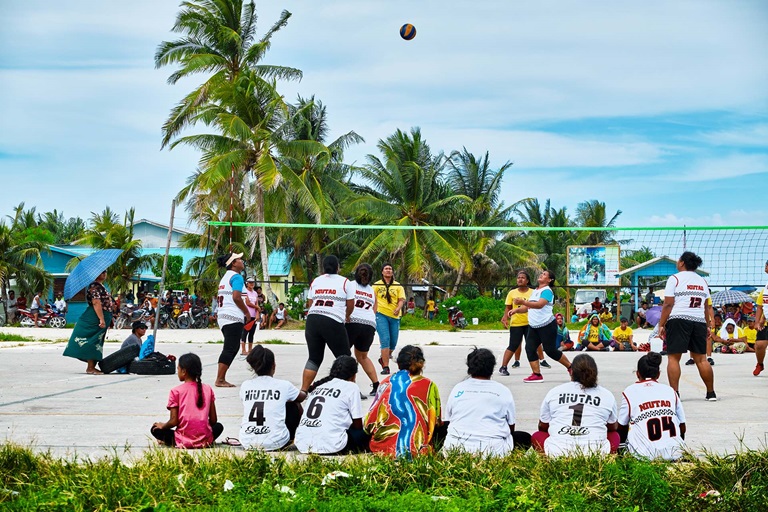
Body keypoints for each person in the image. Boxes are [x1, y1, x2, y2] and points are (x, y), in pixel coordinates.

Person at [442, 348, 531, 456]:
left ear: (469, 367)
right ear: (492, 368)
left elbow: (449, 420)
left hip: (455, 450)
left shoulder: (458, 388)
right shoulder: (503, 391)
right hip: (493, 451)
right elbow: (511, 426)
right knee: (524, 438)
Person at [532, 354, 619, 456]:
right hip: (595, 453)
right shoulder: (606, 395)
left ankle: (551, 458)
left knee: (537, 436)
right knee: (614, 436)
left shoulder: (555, 392)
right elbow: (613, 427)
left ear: (572, 372)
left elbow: (543, 426)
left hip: (558, 452)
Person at [657, 251, 717, 401]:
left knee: (673, 358)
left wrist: (661, 324)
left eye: (678, 260)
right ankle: (711, 393)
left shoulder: (675, 279)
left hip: (678, 319)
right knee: (702, 359)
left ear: (682, 263)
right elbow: (705, 306)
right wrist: (707, 326)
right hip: (698, 321)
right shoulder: (703, 281)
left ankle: (675, 394)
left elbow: (668, 304)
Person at [365, 345, 443, 458]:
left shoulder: (385, 383)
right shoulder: (429, 385)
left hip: (382, 450)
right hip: (417, 451)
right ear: (422, 364)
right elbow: (436, 422)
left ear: (398, 363)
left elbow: (368, 424)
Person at [301, 255, 355, 393]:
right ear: (338, 267)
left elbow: (310, 303)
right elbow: (350, 304)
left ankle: (303, 390)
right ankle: (351, 389)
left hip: (312, 319)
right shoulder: (345, 282)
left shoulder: (316, 281)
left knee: (314, 357)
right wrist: (346, 316)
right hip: (332, 319)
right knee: (345, 357)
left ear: (324, 268)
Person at [618, 352, 686, 461]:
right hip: (674, 454)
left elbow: (621, 426)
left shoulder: (630, 391)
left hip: (644, 456)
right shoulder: (670, 391)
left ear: (637, 374)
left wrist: (620, 452)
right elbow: (682, 426)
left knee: (632, 424)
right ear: (658, 374)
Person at [294, 355, 369, 454]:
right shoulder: (351, 387)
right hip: (333, 445)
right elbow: (358, 425)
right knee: (365, 435)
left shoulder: (319, 387)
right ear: (354, 375)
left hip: (302, 444)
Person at [239, 346, 306, 451]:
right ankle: (297, 436)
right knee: (294, 404)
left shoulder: (245, 385)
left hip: (247, 441)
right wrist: (306, 389)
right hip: (277, 442)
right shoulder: (284, 385)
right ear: (273, 366)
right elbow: (301, 397)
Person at [151, 353, 223, 448]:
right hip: (205, 439)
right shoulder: (208, 389)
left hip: (182, 439)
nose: (178, 371)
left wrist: (163, 426)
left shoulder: (176, 391)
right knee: (219, 426)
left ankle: (174, 442)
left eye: (178, 368)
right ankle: (203, 440)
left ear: (184, 371)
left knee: (154, 429)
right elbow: (213, 420)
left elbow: (174, 421)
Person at [513, 270, 572, 382]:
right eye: (541, 273)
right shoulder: (536, 290)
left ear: (549, 280)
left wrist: (523, 302)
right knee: (529, 348)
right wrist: (516, 310)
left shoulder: (547, 291)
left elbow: (539, 305)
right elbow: (529, 307)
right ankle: (537, 374)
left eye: (544, 274)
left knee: (550, 351)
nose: (541, 275)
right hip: (534, 326)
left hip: (547, 326)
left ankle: (571, 367)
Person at [63, 270, 114, 374]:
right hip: (95, 317)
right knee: (93, 340)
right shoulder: (94, 287)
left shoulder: (100, 286)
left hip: (102, 315)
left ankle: (91, 366)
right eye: (101, 272)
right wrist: (101, 319)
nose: (104, 274)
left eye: (105, 272)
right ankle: (90, 367)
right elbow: (96, 302)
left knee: (97, 340)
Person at [499, 270, 548, 375]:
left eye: (522, 278)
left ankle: (537, 369)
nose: (520, 279)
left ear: (527, 281)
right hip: (516, 323)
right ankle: (503, 367)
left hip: (530, 323)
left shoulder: (533, 292)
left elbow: (538, 305)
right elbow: (508, 307)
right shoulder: (512, 293)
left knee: (531, 346)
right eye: (518, 277)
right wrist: (505, 318)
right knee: (513, 345)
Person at [215, 252, 251, 388]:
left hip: (223, 316)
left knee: (232, 347)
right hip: (233, 316)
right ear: (234, 263)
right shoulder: (237, 277)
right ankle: (220, 379)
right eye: (239, 259)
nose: (242, 261)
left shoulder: (225, 277)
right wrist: (247, 312)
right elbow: (236, 297)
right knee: (230, 348)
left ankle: (221, 377)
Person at [346, 263, 380, 398]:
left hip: (353, 322)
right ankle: (377, 385)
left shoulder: (350, 284)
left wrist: (346, 315)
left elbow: (348, 302)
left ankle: (352, 386)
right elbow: (375, 307)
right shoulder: (371, 290)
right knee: (362, 357)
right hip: (369, 324)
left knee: (345, 354)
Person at [373, 263, 406, 375]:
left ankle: (383, 357)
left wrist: (398, 308)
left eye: (390, 269)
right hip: (381, 314)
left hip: (395, 316)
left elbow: (401, 299)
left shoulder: (398, 286)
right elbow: (373, 300)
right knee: (385, 339)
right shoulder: (376, 285)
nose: (388, 270)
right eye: (386, 269)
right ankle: (386, 366)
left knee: (393, 342)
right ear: (382, 272)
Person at [754, 260, 768, 376]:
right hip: (766, 323)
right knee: (759, 345)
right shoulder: (765, 289)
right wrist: (758, 321)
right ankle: (760, 364)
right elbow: (760, 307)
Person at [240, 277, 260, 356]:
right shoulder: (245, 292)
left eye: (253, 283)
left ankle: (250, 349)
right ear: (247, 283)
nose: (252, 284)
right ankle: (243, 350)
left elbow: (256, 303)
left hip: (253, 316)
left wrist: (257, 313)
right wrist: (257, 307)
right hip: (246, 315)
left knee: (252, 333)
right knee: (244, 333)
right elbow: (247, 303)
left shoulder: (255, 293)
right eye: (250, 282)